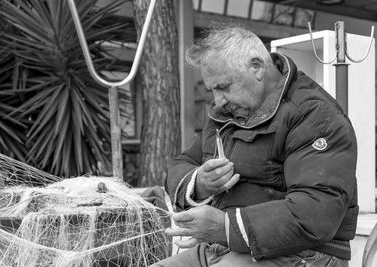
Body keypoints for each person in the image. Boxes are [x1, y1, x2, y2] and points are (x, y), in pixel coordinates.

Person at [151, 23, 358, 267]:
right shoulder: (226, 112)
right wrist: (199, 183)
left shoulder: (315, 115)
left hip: (305, 253)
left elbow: (315, 214)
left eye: (224, 87)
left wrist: (225, 226)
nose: (218, 101)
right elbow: (181, 164)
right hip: (227, 245)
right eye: (213, 90)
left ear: (257, 67)